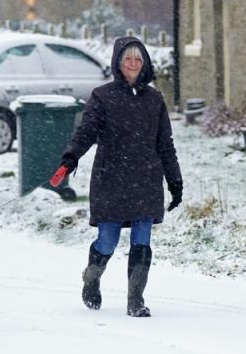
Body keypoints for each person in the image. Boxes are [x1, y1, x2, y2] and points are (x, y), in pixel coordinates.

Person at [57, 36, 182, 317]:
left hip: (146, 179)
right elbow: (86, 132)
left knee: (142, 241)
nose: (134, 64)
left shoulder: (155, 100)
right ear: (118, 63)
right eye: (129, 59)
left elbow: (165, 144)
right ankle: (91, 277)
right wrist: (71, 156)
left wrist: (175, 181)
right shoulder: (102, 96)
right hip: (111, 178)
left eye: (139, 59)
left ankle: (136, 299)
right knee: (108, 240)